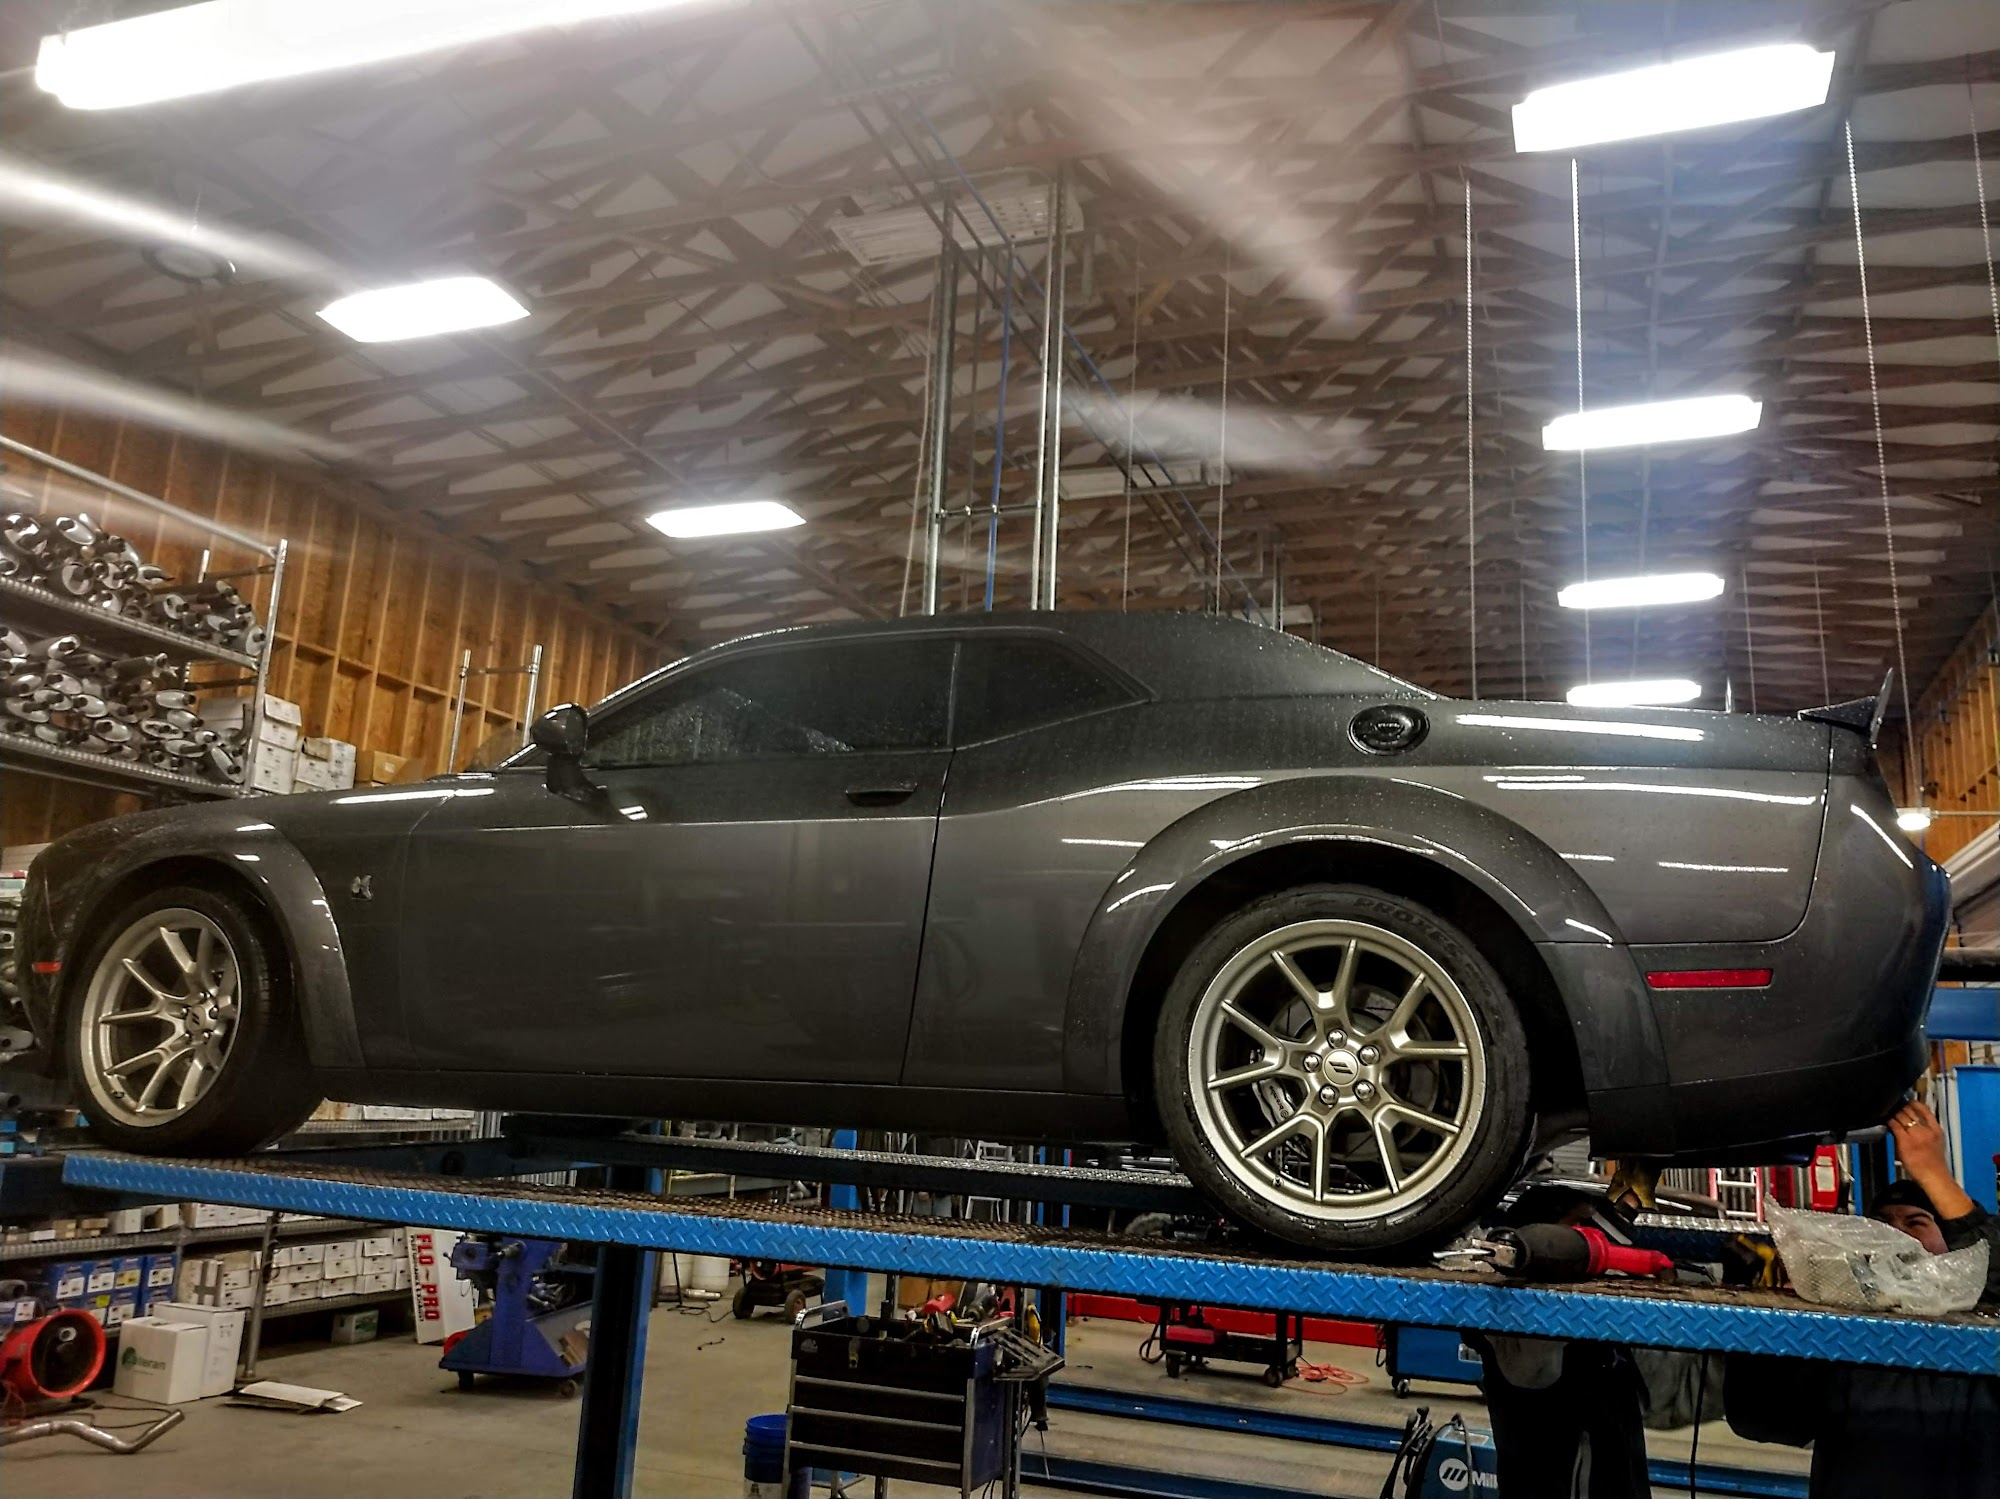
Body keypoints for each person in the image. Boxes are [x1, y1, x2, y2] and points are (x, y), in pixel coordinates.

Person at [1724, 1101, 2000, 1498]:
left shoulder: (1981, 1334)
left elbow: (1993, 1268)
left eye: (1917, 1222)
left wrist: (1934, 1174)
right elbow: (1760, 1419)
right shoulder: (1842, 1338)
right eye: (1882, 1225)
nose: (1898, 1234)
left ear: (1951, 1246)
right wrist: (1753, 1322)